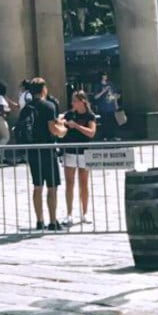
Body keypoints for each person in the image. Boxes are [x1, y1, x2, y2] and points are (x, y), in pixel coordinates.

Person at [18, 79, 67, 232]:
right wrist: (63, 130)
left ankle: (39, 221)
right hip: (47, 150)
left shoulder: (26, 108)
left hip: (33, 151)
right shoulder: (48, 106)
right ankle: (53, 221)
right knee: (52, 187)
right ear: (43, 89)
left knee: (37, 186)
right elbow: (53, 129)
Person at [60, 90, 97, 226]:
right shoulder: (70, 114)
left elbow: (92, 133)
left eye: (75, 100)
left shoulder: (90, 116)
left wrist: (76, 126)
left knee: (84, 183)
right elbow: (60, 121)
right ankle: (69, 214)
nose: (73, 103)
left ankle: (85, 212)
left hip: (85, 152)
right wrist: (62, 121)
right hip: (70, 151)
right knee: (69, 183)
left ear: (82, 101)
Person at [92, 72, 120, 140]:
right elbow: (95, 97)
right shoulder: (98, 85)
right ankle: (105, 136)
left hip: (111, 106)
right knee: (104, 122)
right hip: (103, 107)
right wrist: (103, 91)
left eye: (106, 75)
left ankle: (113, 136)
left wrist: (115, 98)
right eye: (104, 75)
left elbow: (116, 94)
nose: (105, 76)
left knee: (112, 122)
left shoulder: (110, 84)